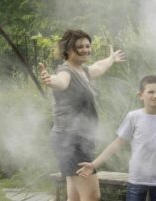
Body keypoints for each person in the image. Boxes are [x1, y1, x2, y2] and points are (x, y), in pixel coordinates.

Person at [39, 29, 126, 201]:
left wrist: (111, 59)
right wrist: (50, 79)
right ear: (68, 50)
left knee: (75, 197)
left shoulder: (83, 71)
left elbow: (98, 67)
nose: (86, 49)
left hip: (76, 140)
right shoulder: (66, 72)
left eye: (88, 46)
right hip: (71, 141)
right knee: (92, 196)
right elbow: (61, 82)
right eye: (80, 47)